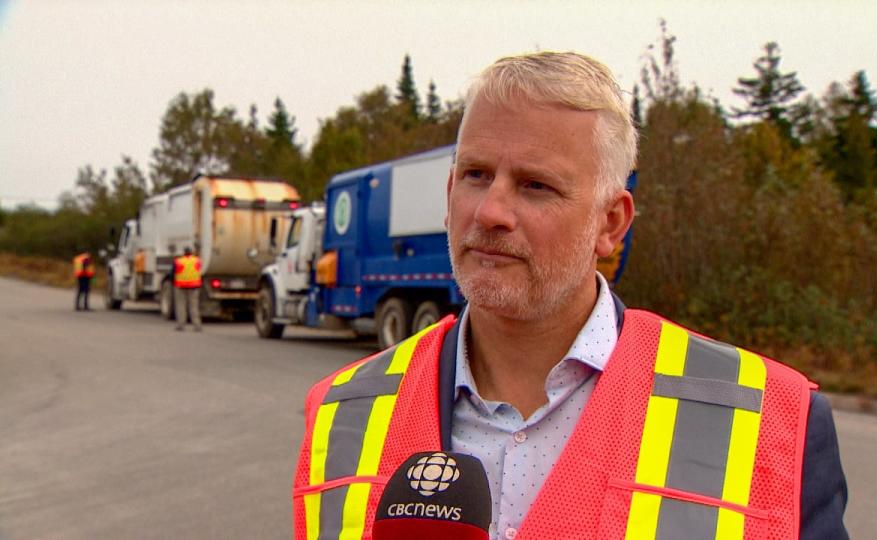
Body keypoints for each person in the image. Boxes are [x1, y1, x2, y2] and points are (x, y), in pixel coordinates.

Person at [293, 52, 848, 540]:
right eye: (476, 175)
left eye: (536, 185)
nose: (490, 212)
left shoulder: (769, 423)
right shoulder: (343, 413)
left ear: (610, 223)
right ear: (449, 192)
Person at [173, 246, 202, 332]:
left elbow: (173, 273)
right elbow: (199, 270)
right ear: (191, 252)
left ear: (184, 253)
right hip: (194, 286)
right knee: (194, 307)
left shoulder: (178, 261)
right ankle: (197, 325)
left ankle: (181, 325)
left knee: (181, 306)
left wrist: (174, 283)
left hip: (181, 286)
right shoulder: (197, 260)